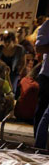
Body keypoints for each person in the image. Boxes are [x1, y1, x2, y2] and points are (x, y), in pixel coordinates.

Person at [32, 19, 49, 148]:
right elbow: (39, 47)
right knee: (44, 111)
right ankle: (39, 145)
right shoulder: (47, 26)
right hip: (47, 76)